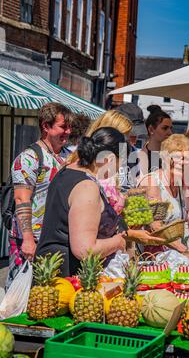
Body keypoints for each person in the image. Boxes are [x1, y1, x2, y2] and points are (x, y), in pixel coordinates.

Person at [36, 127, 163, 276]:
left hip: (50, 269)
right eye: (119, 165)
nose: (118, 171)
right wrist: (118, 242)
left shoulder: (66, 170)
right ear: (108, 159)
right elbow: (85, 249)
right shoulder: (87, 187)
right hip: (66, 279)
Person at [6, 102, 73, 288]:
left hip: (58, 238)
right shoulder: (29, 158)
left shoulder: (70, 157)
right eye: (63, 127)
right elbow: (21, 199)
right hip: (31, 240)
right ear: (46, 126)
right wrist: (27, 239)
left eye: (69, 127)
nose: (68, 131)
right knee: (20, 295)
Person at [139, 134, 189, 253]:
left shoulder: (178, 185)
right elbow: (156, 227)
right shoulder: (153, 183)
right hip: (153, 260)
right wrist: (185, 250)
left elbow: (174, 218)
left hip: (175, 257)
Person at [140, 108, 173, 174]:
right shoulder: (139, 158)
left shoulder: (172, 157)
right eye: (165, 128)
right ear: (151, 129)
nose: (170, 132)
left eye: (170, 128)